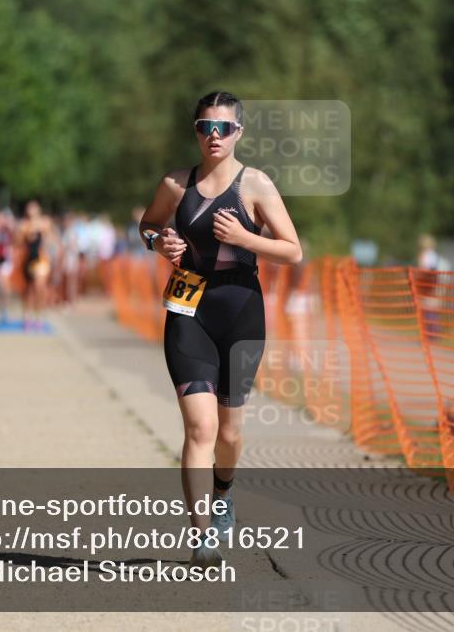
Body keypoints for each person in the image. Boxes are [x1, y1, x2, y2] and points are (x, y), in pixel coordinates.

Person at [139, 91, 302, 568]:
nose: (214, 136)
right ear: (195, 131)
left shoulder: (257, 185)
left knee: (229, 431)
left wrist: (246, 238)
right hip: (189, 311)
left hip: (241, 314)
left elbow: (292, 250)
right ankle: (203, 535)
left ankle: (224, 491)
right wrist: (159, 241)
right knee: (200, 426)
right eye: (205, 127)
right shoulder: (175, 183)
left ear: (238, 133)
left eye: (224, 128)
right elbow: (148, 225)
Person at [15, 199, 53, 329]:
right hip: (27, 259)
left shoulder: (44, 223)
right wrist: (23, 233)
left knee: (40, 287)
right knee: (28, 290)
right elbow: (17, 242)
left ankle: (39, 315)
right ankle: (27, 316)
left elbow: (48, 236)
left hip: (40, 259)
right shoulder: (24, 225)